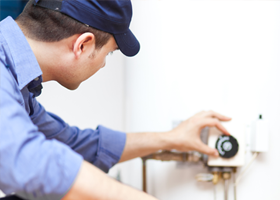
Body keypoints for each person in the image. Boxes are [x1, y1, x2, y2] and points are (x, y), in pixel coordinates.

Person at [0, 0, 231, 199]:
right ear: (82, 45)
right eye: (108, 53)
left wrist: (170, 139)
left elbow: (71, 145)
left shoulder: (19, 83)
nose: (102, 64)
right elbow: (29, 162)